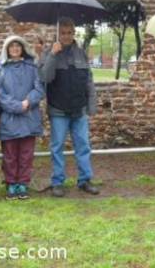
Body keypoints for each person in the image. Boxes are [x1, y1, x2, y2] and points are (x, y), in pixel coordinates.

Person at [39, 17, 99, 197]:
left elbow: (88, 80)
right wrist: (52, 55)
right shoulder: (49, 53)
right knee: (57, 147)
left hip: (79, 109)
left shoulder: (81, 53)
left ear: (74, 33)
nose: (66, 36)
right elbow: (45, 78)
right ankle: (57, 182)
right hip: (58, 110)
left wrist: (91, 104)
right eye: (63, 33)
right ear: (58, 34)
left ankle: (85, 180)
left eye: (69, 33)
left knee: (83, 145)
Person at [0, 35, 44, 200]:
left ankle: (22, 183)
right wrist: (17, 106)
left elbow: (39, 88)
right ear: (6, 49)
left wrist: (28, 102)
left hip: (29, 117)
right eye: (11, 46)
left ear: (22, 48)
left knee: (26, 154)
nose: (15, 49)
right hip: (10, 118)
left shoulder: (32, 67)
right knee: (10, 154)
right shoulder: (0, 69)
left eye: (18, 46)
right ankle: (10, 183)